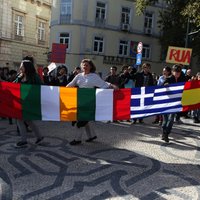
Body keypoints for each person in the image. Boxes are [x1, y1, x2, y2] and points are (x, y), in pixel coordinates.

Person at [66, 59, 117, 145]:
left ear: (91, 67)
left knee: (81, 121)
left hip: (90, 102)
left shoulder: (94, 76)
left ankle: (77, 139)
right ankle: (92, 135)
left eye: (87, 65)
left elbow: (103, 84)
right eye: (83, 65)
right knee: (85, 119)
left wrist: (112, 86)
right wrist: (61, 91)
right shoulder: (79, 76)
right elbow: (70, 85)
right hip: (80, 101)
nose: (84, 67)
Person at [14, 60, 44, 148]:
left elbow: (41, 87)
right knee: (28, 120)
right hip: (21, 102)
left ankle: (24, 141)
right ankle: (39, 137)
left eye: (22, 66)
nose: (20, 68)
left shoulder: (35, 77)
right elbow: (12, 86)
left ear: (27, 67)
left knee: (20, 120)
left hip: (29, 103)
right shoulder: (20, 76)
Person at [161, 64, 187, 143]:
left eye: (179, 72)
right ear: (172, 72)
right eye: (176, 72)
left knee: (171, 118)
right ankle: (163, 132)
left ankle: (166, 133)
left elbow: (186, 87)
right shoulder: (168, 79)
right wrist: (165, 85)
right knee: (165, 120)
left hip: (174, 103)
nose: (177, 74)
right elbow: (161, 88)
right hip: (166, 102)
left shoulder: (182, 79)